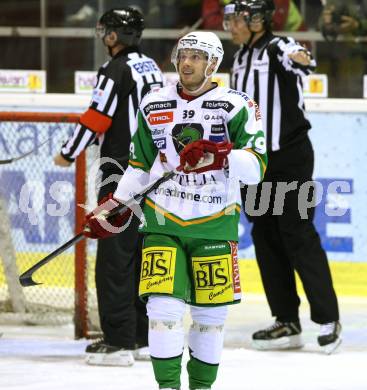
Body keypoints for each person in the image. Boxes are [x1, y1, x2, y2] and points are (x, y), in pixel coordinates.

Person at [83, 31, 267, 390]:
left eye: (197, 57)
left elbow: (257, 168)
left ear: (213, 63)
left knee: (210, 320)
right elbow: (140, 165)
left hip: (215, 224)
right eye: (183, 55)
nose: (186, 62)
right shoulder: (154, 103)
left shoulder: (238, 104)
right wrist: (114, 205)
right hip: (162, 220)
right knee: (162, 315)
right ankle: (167, 387)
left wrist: (220, 155)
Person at [223, 0, 342, 354]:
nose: (230, 24)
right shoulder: (242, 56)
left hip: (290, 158)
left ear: (258, 20)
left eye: (237, 19)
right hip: (255, 162)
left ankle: (327, 318)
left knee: (298, 233)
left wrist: (301, 57)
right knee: (266, 235)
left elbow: (300, 57)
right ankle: (286, 320)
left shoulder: (277, 47)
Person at [54, 7, 164, 366]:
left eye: (106, 32)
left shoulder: (115, 69)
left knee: (115, 256)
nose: (104, 38)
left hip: (121, 172)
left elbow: (98, 117)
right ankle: (141, 336)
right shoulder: (151, 66)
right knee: (140, 254)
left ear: (114, 35)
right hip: (153, 172)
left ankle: (118, 340)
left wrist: (68, 154)